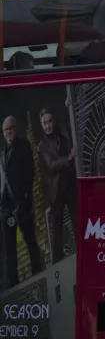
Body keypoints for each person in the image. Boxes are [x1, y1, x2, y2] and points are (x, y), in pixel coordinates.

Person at [0, 116, 42, 289]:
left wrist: (25, 197)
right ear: (3, 133)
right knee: (10, 250)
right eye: (5, 129)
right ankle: (12, 286)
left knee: (31, 241)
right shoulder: (2, 153)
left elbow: (30, 171)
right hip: (7, 209)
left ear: (15, 128)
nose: (9, 131)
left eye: (11, 128)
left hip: (22, 203)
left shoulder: (23, 145)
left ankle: (39, 275)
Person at [36, 108, 75, 264]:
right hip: (55, 192)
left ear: (54, 121)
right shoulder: (41, 146)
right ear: (41, 125)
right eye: (44, 123)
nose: (48, 126)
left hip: (70, 186)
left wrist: (68, 106)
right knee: (56, 234)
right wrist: (68, 158)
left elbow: (69, 124)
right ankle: (57, 266)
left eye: (50, 121)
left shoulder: (63, 133)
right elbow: (50, 166)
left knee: (77, 222)